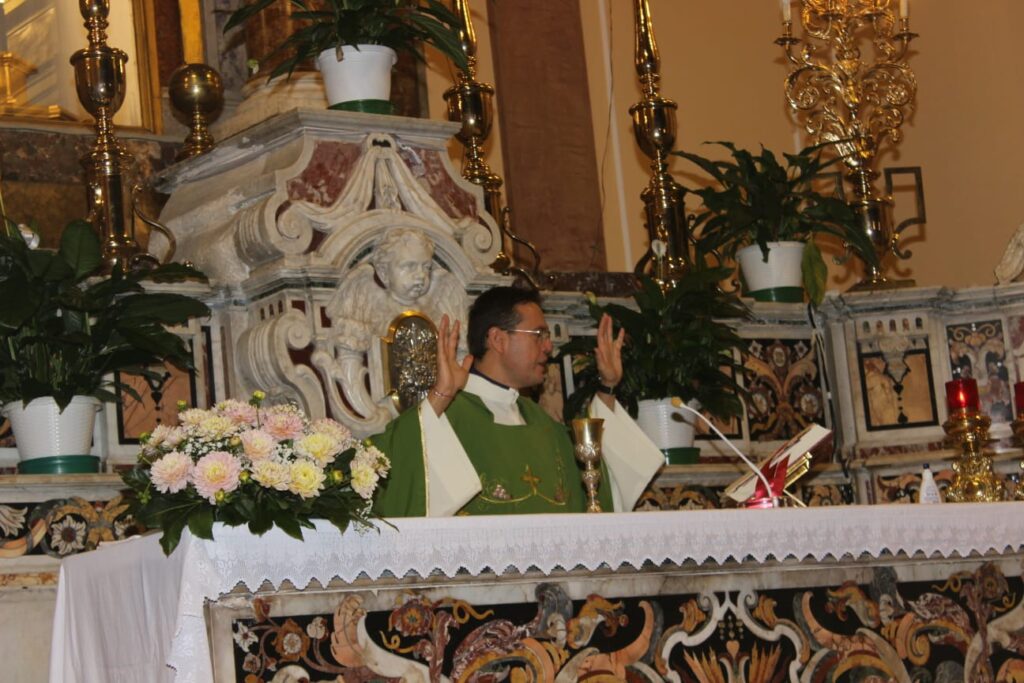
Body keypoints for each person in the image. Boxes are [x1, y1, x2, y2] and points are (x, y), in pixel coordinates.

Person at [372, 286, 664, 517]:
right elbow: (383, 472)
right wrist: (440, 395)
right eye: (539, 335)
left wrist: (608, 387)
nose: (549, 347)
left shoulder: (544, 425)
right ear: (498, 340)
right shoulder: (446, 417)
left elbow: (598, 488)